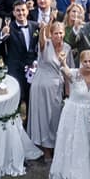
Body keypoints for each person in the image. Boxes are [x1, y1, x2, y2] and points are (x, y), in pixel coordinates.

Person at [49, 49, 90, 179]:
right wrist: (62, 61)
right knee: (76, 147)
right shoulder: (74, 73)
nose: (88, 64)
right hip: (74, 116)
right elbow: (65, 70)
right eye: (85, 62)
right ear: (81, 62)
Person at [28, 18, 67, 152]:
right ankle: (44, 150)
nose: (59, 36)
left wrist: (68, 93)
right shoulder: (45, 45)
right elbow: (42, 40)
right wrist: (46, 25)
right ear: (51, 33)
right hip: (41, 86)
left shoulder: (67, 48)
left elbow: (69, 72)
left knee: (55, 117)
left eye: (61, 33)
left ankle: (55, 146)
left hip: (57, 87)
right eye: (56, 33)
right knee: (42, 118)